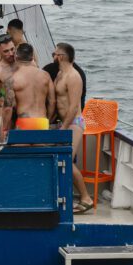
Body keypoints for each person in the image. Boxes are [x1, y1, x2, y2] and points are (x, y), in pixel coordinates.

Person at [52, 43, 94, 214]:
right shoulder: (60, 74)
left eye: (54, 53)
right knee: (59, 159)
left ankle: (86, 198)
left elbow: (73, 107)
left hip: (74, 123)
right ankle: (64, 195)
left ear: (61, 56)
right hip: (64, 123)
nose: (53, 56)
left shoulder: (73, 76)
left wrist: (63, 127)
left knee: (67, 161)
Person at [3, 43, 55, 135]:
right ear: (32, 58)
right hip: (42, 122)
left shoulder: (11, 79)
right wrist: (48, 121)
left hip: (24, 122)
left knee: (21, 149)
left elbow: (8, 108)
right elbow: (52, 102)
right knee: (39, 149)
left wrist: (4, 129)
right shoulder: (45, 75)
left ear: (16, 57)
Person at [0, 34, 18, 119]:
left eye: (12, 49)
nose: (11, 53)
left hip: (24, 111)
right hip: (5, 110)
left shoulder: (25, 63)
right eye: (6, 51)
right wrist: (6, 104)